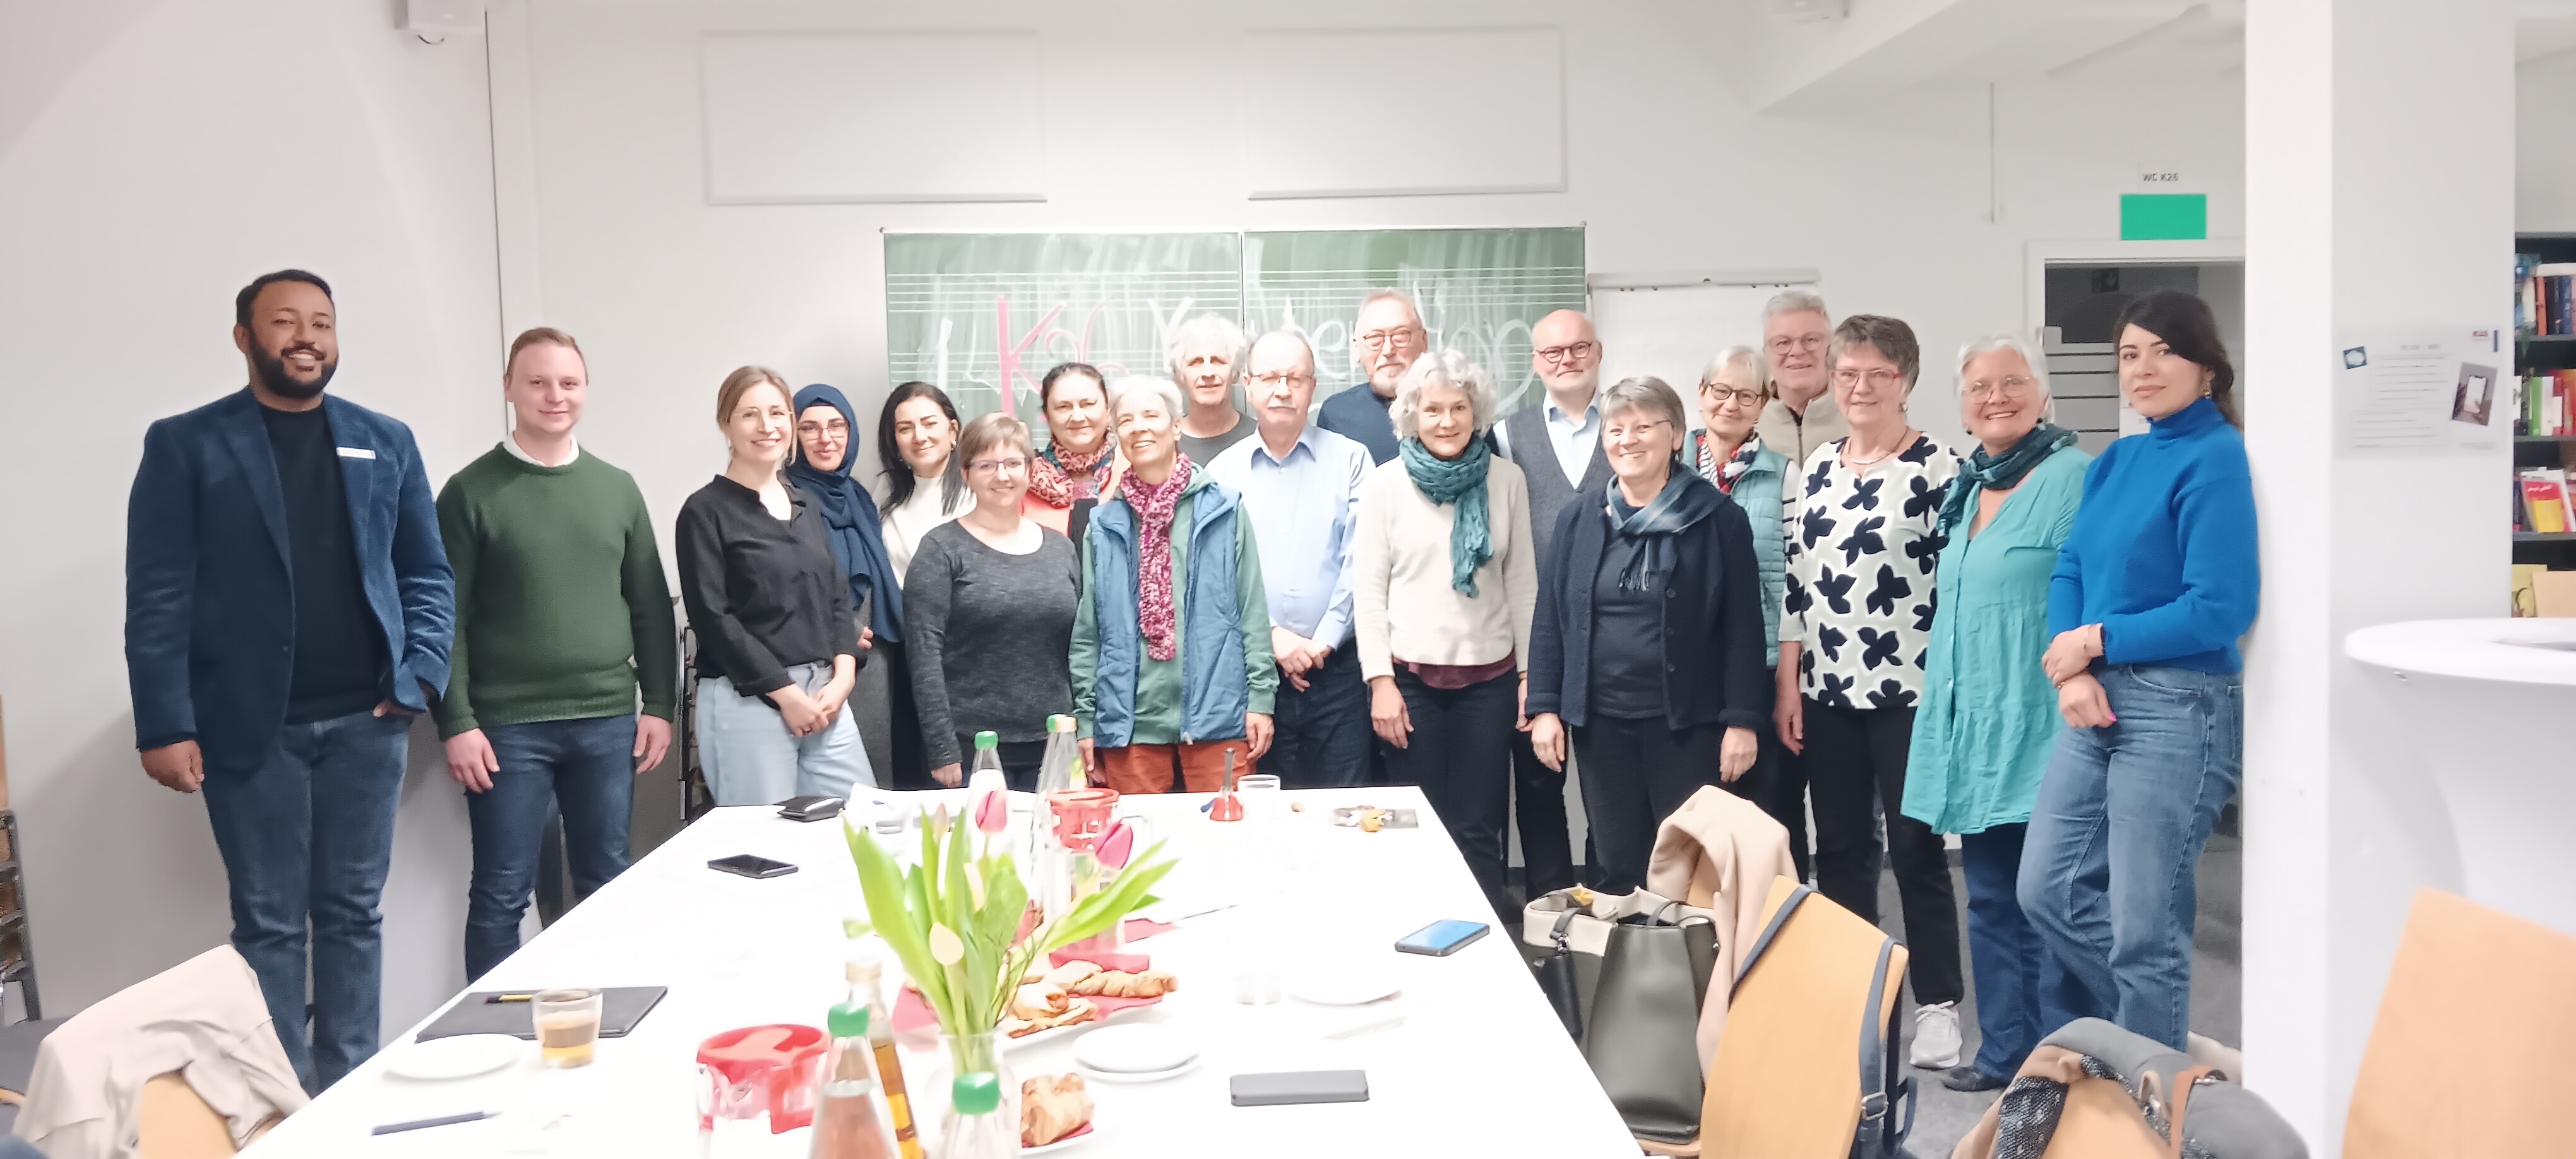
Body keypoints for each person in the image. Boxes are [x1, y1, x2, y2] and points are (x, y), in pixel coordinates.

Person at [125, 270, 455, 1092]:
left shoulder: (385, 439)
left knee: (353, 916)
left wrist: (419, 675)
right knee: (269, 925)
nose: (306, 337)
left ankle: (348, 1087)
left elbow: (425, 572)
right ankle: (282, 1103)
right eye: (285, 322)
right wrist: (164, 723)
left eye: (321, 323)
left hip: (368, 724)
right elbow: (158, 594)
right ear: (245, 337)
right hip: (247, 729)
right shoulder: (187, 444)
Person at [2022, 290, 2257, 1054]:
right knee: (2047, 891)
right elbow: (2071, 567)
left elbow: (2220, 607)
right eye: (2130, 354)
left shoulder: (2216, 457)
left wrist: (2096, 641)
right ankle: (2168, 1047)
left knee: (2144, 927)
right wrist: (2072, 670)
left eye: (2164, 352)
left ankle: (2157, 1097)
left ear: (2206, 367)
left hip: (2180, 708)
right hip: (2098, 697)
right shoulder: (2118, 460)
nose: (2144, 369)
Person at [434, 326, 677, 982]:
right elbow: (444, 618)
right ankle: (491, 1027)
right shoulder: (469, 492)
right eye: (537, 381)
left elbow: (650, 606)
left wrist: (659, 704)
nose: (554, 395)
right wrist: (456, 721)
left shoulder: (617, 488)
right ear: (509, 388)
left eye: (568, 383)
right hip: (505, 729)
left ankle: (610, 1015)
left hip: (606, 719)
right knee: (502, 891)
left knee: (607, 880)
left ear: (586, 390)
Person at [1899, 336, 2092, 1092]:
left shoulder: (2073, 475)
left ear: (2042, 395)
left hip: (2042, 720)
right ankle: (2006, 1053)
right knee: (1988, 899)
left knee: (2047, 901)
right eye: (1980, 387)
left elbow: (2096, 585)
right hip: (1975, 723)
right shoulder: (1970, 483)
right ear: (1963, 405)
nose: (1996, 398)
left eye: (2012, 383)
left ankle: (2057, 1061)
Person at [1776, 314, 1968, 1071]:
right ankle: (1858, 990)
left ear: (1905, 380)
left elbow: (1957, 588)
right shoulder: (1818, 467)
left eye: (1876, 374)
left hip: (1911, 692)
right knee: (1843, 850)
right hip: (1827, 690)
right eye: (1847, 373)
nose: (1859, 387)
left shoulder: (1940, 468)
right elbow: (1799, 585)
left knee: (1917, 850)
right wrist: (1789, 681)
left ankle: (1938, 1004)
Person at [1525, 377, 1766, 895]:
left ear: (1675, 435)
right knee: (1616, 862)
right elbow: (1551, 618)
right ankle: (1626, 950)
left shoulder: (1718, 519)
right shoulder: (1579, 519)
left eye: (1642, 427)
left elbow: (1744, 627)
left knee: (1688, 867)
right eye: (1615, 430)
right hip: (1602, 725)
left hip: (1688, 726)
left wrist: (1743, 721)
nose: (1627, 440)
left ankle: (1692, 953)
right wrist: (1544, 707)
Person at [1354, 350, 1538, 923]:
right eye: (1432, 409)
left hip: (1490, 681)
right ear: (1412, 415)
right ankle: (1421, 928)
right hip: (1409, 686)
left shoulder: (1506, 480)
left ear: (1475, 412)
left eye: (1459, 407)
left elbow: (1522, 584)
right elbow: (1369, 591)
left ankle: (1482, 938)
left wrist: (1530, 677)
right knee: (1418, 822)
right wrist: (1380, 683)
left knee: (1480, 826)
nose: (1447, 420)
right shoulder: (1385, 485)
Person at [1070, 376, 1279, 793]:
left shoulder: (1224, 510)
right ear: (1117, 437)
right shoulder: (1104, 525)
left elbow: (1251, 612)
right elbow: (1089, 632)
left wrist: (1261, 699)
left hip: (1219, 712)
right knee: (1136, 835)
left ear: (1177, 426)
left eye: (1151, 415)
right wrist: (1087, 719)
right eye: (1126, 420)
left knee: (1227, 829)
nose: (1139, 427)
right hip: (1129, 719)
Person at [677, 367, 873, 805]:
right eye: (750, 414)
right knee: (763, 840)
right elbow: (713, 618)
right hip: (749, 699)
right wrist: (786, 695)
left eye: (778, 413)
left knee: (860, 824)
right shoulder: (705, 511)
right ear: (726, 424)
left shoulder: (806, 504)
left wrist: (843, 678)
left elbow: (836, 600)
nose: (767, 426)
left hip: (825, 695)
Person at [1208, 330, 1374, 788]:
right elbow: (1216, 574)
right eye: (1269, 378)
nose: (1282, 389)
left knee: (1343, 807)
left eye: (1295, 378)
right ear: (1248, 385)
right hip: (1255, 673)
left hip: (1340, 672)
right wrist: (1274, 638)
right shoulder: (1221, 473)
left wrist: (1322, 642)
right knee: (1266, 809)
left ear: (1312, 387)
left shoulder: (1352, 460)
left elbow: (1362, 560)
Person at [1491, 307, 1609, 897]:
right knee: (1539, 783)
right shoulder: (1506, 436)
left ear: (1599, 352)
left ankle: (1611, 908)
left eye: (1578, 348)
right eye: (1552, 352)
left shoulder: (1630, 423)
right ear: (1535, 363)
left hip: (1613, 640)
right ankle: (1551, 908)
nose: (1567, 360)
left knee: (1607, 784)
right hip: (1535, 638)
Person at [907, 413, 1082, 790]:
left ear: (1030, 470)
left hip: (1055, 745)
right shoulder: (941, 550)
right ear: (966, 474)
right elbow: (923, 653)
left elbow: (1081, 647)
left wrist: (1083, 731)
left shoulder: (1061, 549)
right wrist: (942, 748)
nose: (1002, 475)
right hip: (972, 751)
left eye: (1013, 463)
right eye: (986, 465)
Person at [1689, 345, 1808, 881]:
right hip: (1688, 671)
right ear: (1701, 393)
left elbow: (1796, 582)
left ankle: (1774, 922)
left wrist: (1787, 681)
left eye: (1746, 394)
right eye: (1721, 391)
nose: (1731, 404)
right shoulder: (1670, 468)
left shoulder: (1784, 476)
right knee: (1694, 815)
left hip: (1758, 666)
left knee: (1767, 815)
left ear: (1765, 403)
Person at [786, 384, 907, 795]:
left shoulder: (858, 495)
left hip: (875, 657)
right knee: (823, 792)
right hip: (820, 655)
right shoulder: (784, 498)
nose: (826, 438)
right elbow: (785, 583)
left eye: (837, 426)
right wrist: (842, 630)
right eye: (810, 428)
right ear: (793, 436)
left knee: (875, 782)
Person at [873, 379, 965, 787]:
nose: (919, 436)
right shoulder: (885, 490)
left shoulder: (978, 486)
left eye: (929, 423)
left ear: (953, 429)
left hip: (965, 650)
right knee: (916, 777)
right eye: (905, 428)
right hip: (904, 649)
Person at [1317, 288, 1429, 464]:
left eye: (1401, 335)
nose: (1388, 350)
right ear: (1356, 349)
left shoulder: (1453, 408)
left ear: (1424, 341)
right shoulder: (1335, 414)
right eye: (1375, 339)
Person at [1023, 362, 1120, 542]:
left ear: (1108, 409)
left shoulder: (1133, 470)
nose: (1077, 417)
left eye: (1088, 404)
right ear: (1047, 415)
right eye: (1063, 407)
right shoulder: (1025, 479)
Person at [1755, 290, 1849, 467]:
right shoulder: (1746, 422)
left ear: (1832, 348)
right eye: (1783, 342)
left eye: (1811, 340)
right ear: (1766, 354)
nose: (1797, 351)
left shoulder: (1861, 417)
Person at [1171, 314, 1255, 465]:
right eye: (1196, 362)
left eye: (1218, 361)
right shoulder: (1164, 443)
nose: (1208, 373)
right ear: (1179, 377)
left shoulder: (1261, 438)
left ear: (1235, 374)